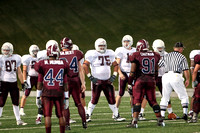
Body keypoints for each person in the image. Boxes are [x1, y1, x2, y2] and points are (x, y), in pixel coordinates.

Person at [83, 38, 126, 122]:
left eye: (103, 46)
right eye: (100, 46)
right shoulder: (92, 54)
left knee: (111, 99)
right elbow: (85, 65)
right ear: (96, 46)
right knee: (94, 99)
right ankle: (88, 115)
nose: (102, 47)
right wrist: (90, 77)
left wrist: (114, 75)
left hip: (107, 81)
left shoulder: (110, 53)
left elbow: (115, 65)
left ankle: (116, 115)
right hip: (97, 81)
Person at [126, 39, 164, 128]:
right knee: (153, 101)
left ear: (139, 46)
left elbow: (132, 71)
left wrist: (129, 83)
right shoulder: (155, 55)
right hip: (151, 80)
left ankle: (134, 122)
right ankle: (160, 120)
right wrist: (153, 78)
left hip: (140, 80)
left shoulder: (136, 55)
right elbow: (156, 70)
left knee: (137, 100)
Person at [34, 40, 68, 133]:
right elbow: (65, 82)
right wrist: (67, 97)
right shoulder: (63, 63)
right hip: (59, 91)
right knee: (61, 115)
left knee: (48, 115)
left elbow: (40, 82)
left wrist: (37, 96)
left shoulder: (42, 63)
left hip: (47, 92)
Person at [59, 37, 87, 130]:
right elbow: (80, 70)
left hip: (65, 81)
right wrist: (83, 83)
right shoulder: (76, 53)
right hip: (75, 80)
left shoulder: (58, 54)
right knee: (78, 103)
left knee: (65, 104)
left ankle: (67, 125)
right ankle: (84, 122)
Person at [159, 42, 190, 122]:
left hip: (165, 76)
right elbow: (186, 70)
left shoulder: (166, 56)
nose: (182, 50)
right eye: (182, 48)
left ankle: (162, 115)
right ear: (180, 49)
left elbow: (158, 65)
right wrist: (187, 79)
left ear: (174, 48)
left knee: (165, 97)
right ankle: (185, 114)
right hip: (176, 75)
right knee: (183, 96)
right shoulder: (182, 57)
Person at [0, 42, 27, 125]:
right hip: (3, 82)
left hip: (13, 83)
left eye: (7, 50)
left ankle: (18, 120)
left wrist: (22, 82)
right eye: (4, 50)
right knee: (1, 102)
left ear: (11, 50)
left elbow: (19, 71)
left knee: (15, 102)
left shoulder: (17, 57)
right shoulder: (1, 58)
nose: (5, 52)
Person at [152, 39, 178, 119]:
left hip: (164, 77)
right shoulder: (151, 54)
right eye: (159, 48)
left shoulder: (167, 54)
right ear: (154, 47)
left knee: (166, 94)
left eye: (161, 48)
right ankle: (141, 112)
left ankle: (170, 112)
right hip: (153, 76)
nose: (160, 50)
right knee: (148, 95)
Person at [114, 35, 136, 118]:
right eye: (124, 41)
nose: (126, 43)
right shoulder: (120, 50)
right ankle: (115, 112)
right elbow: (117, 63)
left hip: (132, 74)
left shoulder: (135, 50)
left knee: (132, 94)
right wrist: (120, 73)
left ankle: (133, 112)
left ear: (131, 42)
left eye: (127, 41)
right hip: (123, 73)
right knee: (120, 93)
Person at [19, 45, 40, 117]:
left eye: (37, 51)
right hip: (30, 78)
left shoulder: (40, 58)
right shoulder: (27, 58)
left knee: (41, 94)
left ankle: (41, 110)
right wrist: (24, 80)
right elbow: (24, 70)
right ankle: (21, 109)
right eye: (34, 51)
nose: (35, 52)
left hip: (38, 78)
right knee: (26, 93)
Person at [188, 47, 200, 118]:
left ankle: (192, 112)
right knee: (195, 95)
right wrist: (193, 81)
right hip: (198, 76)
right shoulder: (196, 54)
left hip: (197, 76)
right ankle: (192, 111)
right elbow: (194, 70)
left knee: (195, 95)